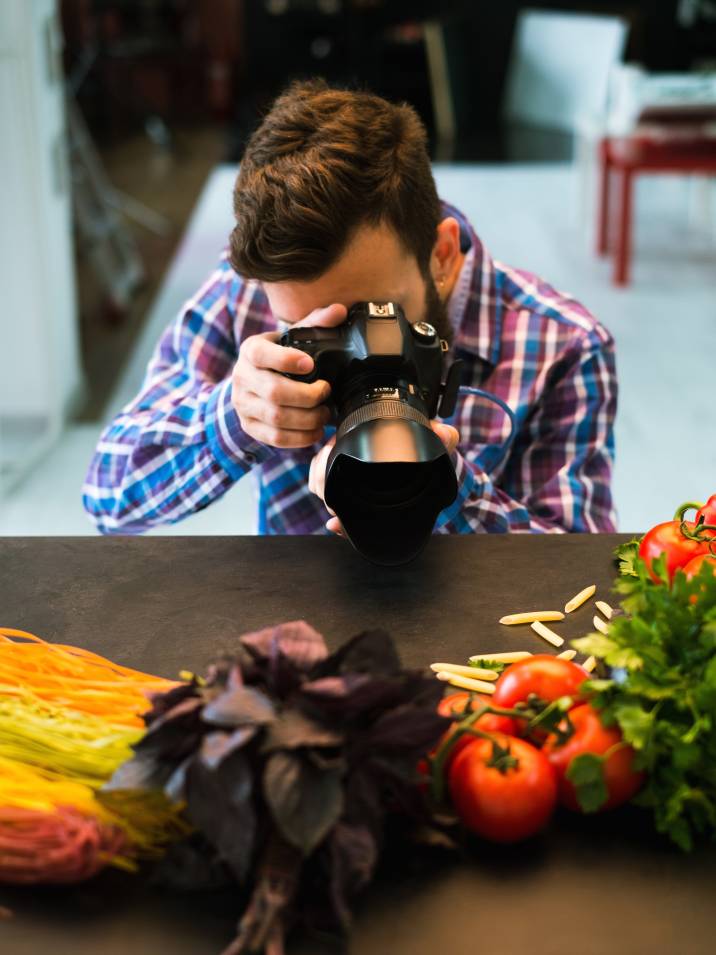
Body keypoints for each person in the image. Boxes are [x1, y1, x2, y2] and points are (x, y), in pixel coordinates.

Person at [83, 79, 618, 537]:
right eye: (307, 330)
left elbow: (576, 578)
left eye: (371, 316)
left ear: (442, 256)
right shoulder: (246, 293)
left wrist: (448, 487)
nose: (350, 345)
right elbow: (108, 497)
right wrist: (234, 416)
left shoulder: (562, 345)